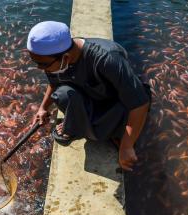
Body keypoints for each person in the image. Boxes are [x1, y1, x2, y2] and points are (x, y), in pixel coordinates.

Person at [27, 21, 151, 171]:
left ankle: (113, 133)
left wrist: (127, 146)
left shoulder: (107, 58)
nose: (40, 68)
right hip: (93, 95)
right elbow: (53, 83)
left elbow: (140, 104)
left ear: (65, 57)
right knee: (62, 94)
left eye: (43, 64)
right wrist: (43, 108)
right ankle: (86, 125)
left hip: (115, 102)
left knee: (99, 135)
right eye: (35, 62)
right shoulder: (55, 59)